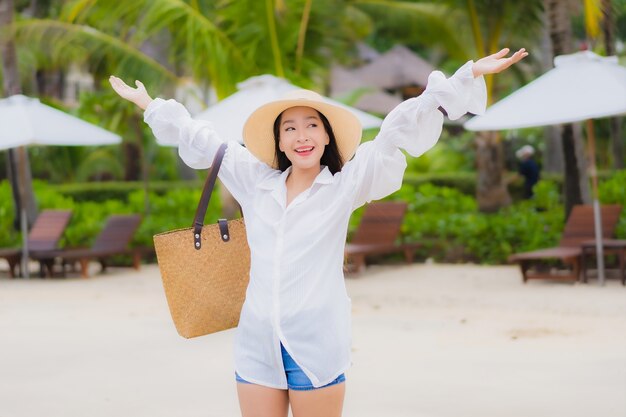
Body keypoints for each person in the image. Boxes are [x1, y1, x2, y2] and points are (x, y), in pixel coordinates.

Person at [109, 47, 527, 417]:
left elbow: (396, 131)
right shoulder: (257, 183)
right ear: (279, 141)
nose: (301, 136)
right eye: (289, 128)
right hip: (256, 347)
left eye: (311, 125)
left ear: (326, 135)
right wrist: (148, 102)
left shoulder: (345, 185)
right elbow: (202, 139)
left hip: (315, 348)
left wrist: (465, 77)